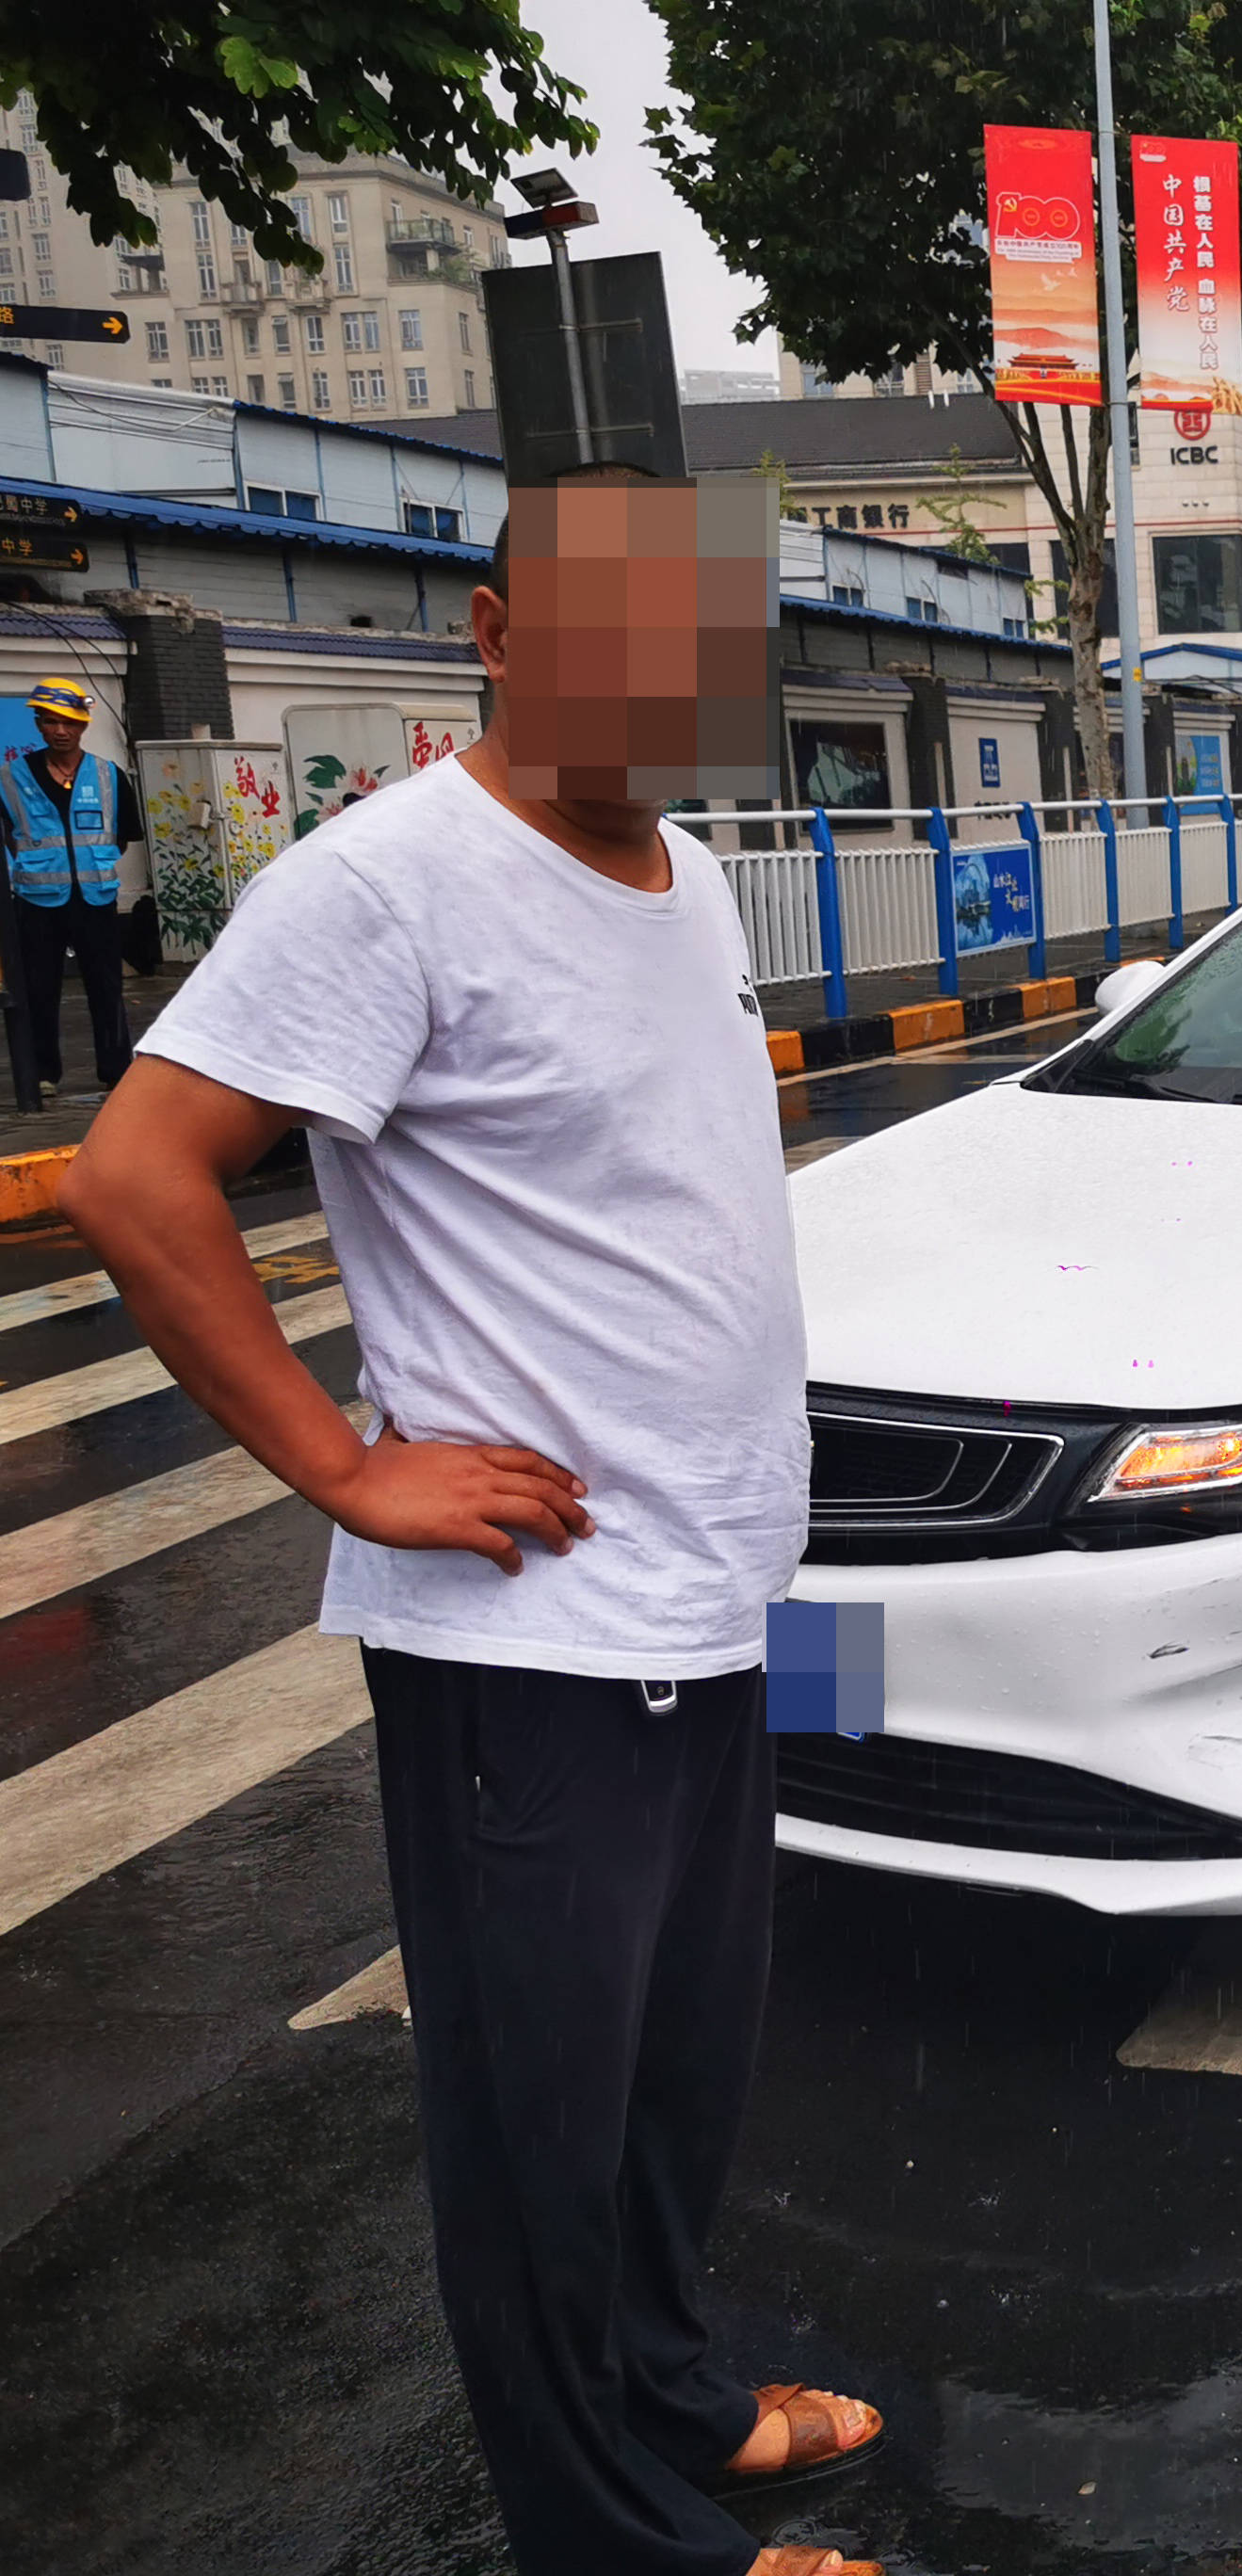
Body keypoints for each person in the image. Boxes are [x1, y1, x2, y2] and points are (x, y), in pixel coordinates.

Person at [61, 486, 884, 2576]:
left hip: (709, 1598)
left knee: (680, 2078)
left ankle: (677, 2398)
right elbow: (136, 1180)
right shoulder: (391, 886)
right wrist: (345, 1472)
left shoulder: (692, 873)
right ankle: (610, 2539)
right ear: (499, 634)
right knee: (538, 2128)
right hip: (528, 1637)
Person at [7, 675, 143, 1101]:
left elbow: (123, 836)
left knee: (106, 986)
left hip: (96, 897)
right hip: (36, 901)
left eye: (69, 722)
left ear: (84, 724)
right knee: (37, 989)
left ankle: (115, 1070)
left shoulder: (109, 776)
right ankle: (43, 1073)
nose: (60, 730)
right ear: (38, 725)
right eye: (51, 721)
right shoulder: (9, 779)